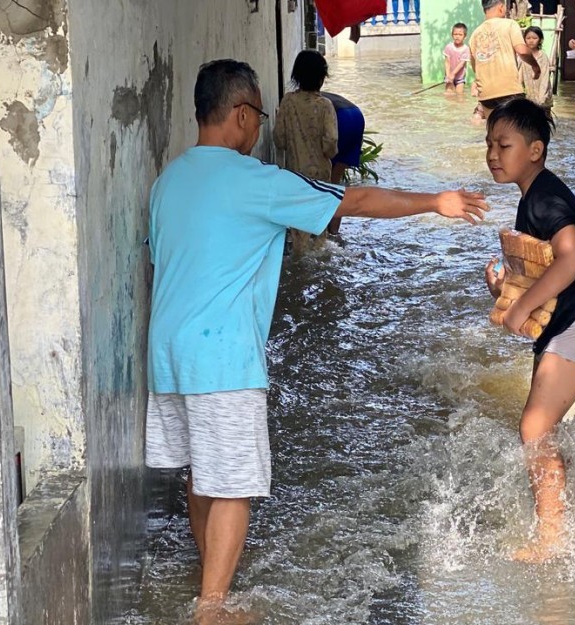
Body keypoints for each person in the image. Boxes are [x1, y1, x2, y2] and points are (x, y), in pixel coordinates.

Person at [146, 59, 487, 623]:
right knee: (232, 482)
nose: (259, 127)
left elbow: (167, 262)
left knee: (200, 473)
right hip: (222, 356)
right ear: (238, 113)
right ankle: (212, 607)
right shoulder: (254, 180)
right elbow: (349, 200)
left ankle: (210, 577)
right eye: (257, 114)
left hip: (169, 356)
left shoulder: (168, 181)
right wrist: (435, 201)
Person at [482, 99, 575, 563]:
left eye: (504, 144)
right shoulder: (532, 196)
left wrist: (521, 304)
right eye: (489, 144)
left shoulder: (546, 197)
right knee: (543, 428)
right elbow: (545, 271)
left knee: (535, 426)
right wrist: (507, 288)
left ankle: (552, 540)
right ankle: (569, 520)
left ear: (535, 150)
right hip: (568, 325)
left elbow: (573, 257)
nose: (493, 154)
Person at [468, 0, 541, 122]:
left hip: (486, 94)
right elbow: (522, 51)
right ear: (501, 7)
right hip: (508, 89)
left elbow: (475, 65)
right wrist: (535, 66)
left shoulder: (475, 34)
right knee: (515, 131)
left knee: (494, 132)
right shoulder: (510, 24)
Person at [273, 50, 337, 182]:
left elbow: (279, 139)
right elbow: (331, 141)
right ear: (322, 77)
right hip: (320, 179)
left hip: (294, 176)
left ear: (297, 76)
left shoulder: (287, 101)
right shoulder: (325, 105)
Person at [320, 91, 366, 235]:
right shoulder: (319, 95)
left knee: (324, 185)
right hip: (356, 115)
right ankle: (334, 233)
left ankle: (322, 233)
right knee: (335, 183)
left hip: (340, 118)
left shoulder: (302, 101)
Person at [520, 26, 553, 119]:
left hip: (544, 97)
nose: (531, 41)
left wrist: (541, 99)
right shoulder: (524, 57)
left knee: (545, 121)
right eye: (528, 38)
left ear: (540, 40)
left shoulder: (542, 56)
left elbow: (545, 78)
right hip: (530, 97)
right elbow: (520, 77)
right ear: (524, 39)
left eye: (534, 38)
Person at [443, 23, 471, 97]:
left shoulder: (466, 49)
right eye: (455, 34)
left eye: (460, 34)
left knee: (459, 96)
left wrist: (453, 74)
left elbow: (461, 64)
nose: (457, 36)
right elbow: (447, 62)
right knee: (449, 96)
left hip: (460, 78)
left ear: (465, 37)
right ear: (452, 35)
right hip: (449, 76)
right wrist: (448, 75)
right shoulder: (449, 47)